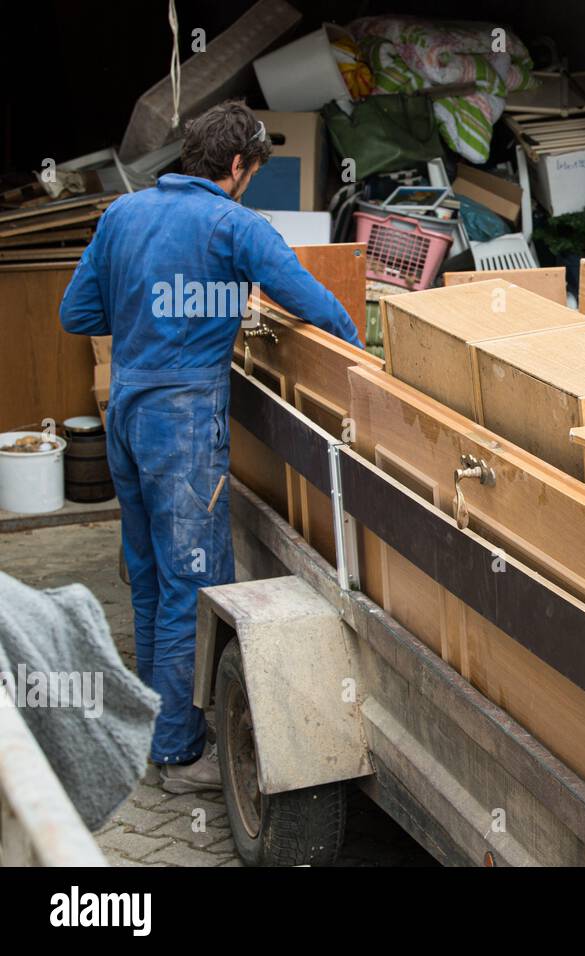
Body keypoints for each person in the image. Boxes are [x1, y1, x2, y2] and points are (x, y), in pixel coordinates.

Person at [60, 100, 363, 794]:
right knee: (189, 587)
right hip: (185, 424)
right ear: (236, 166)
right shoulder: (235, 226)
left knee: (148, 574)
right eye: (254, 168)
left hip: (128, 418)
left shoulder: (123, 215)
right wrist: (365, 360)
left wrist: (144, 310)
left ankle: (150, 724)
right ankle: (176, 751)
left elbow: (76, 312)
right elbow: (312, 303)